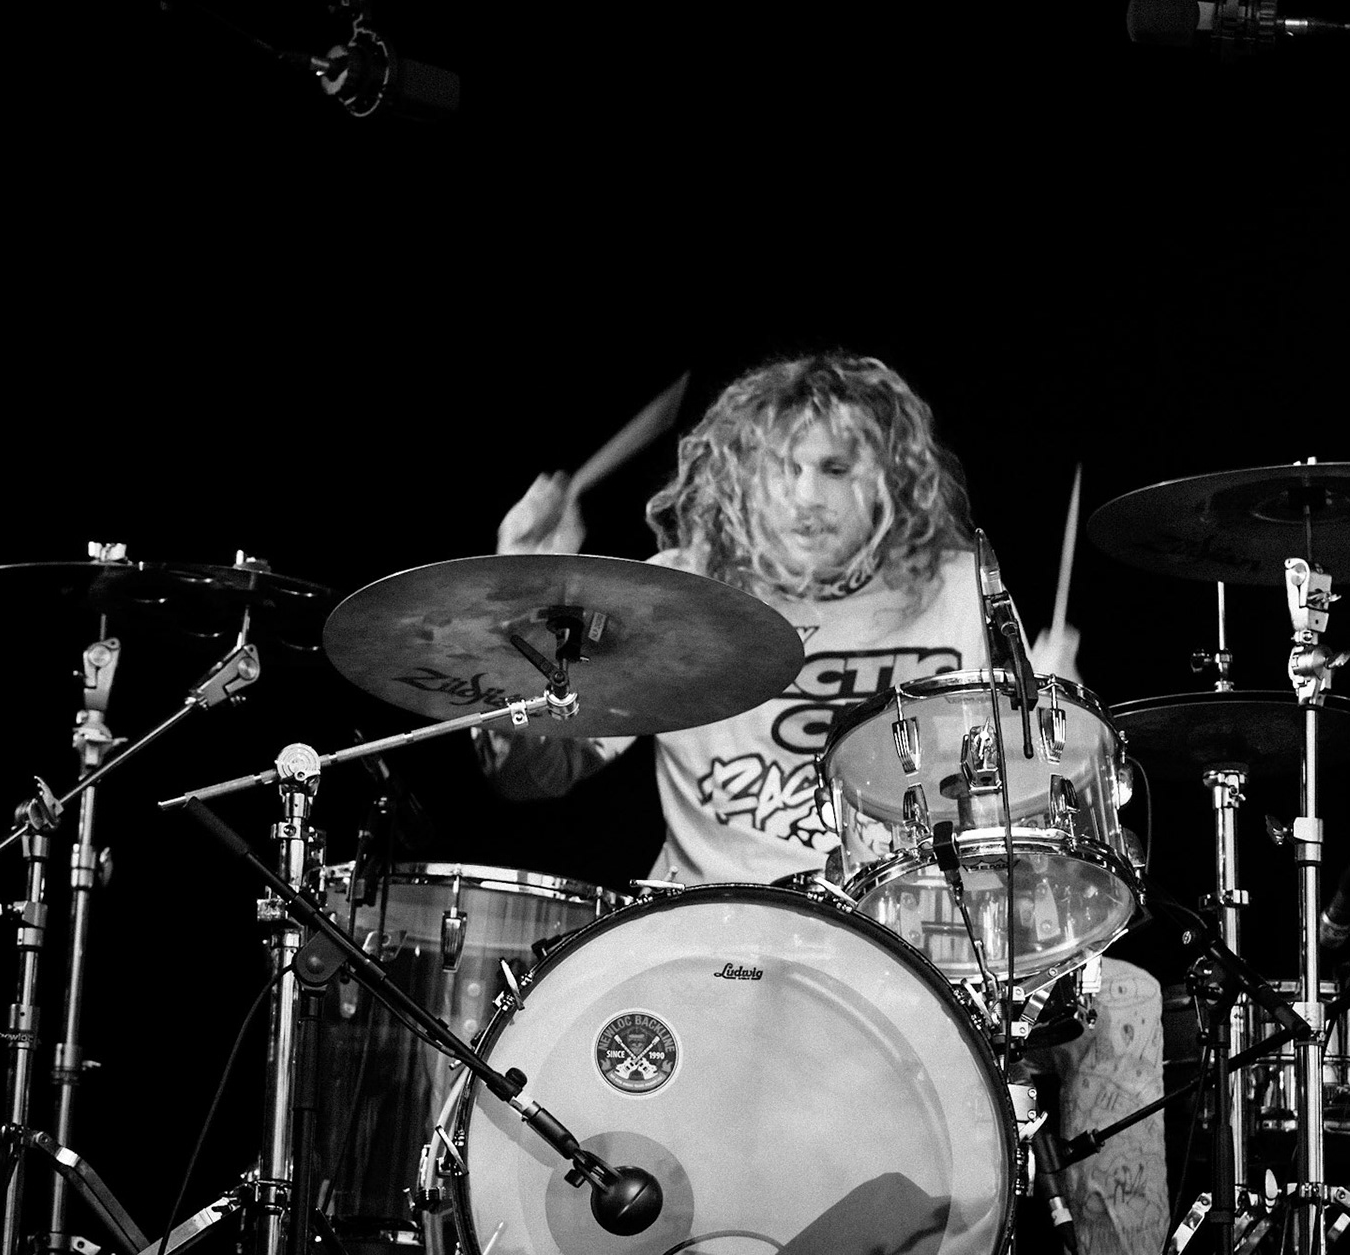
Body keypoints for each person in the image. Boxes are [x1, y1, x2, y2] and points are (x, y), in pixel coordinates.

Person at [476, 351, 1168, 1254]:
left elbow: (1009, 813)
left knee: (1124, 997)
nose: (807, 497)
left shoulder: (957, 587)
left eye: (836, 469)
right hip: (716, 935)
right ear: (740, 475)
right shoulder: (679, 590)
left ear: (890, 479)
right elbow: (532, 776)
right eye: (784, 468)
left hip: (916, 942)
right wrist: (517, 605)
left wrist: (1045, 743)